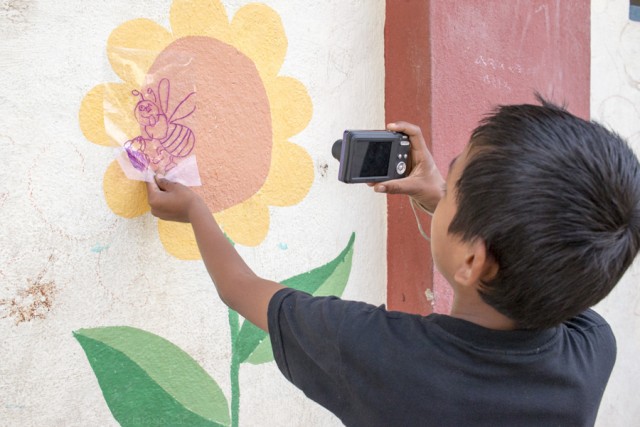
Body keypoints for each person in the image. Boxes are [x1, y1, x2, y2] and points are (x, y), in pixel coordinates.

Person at [145, 97, 640, 426]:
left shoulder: (378, 352)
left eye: (452, 181)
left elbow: (239, 287)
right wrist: (440, 202)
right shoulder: (592, 349)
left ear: (474, 260)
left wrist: (194, 209)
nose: (442, 188)